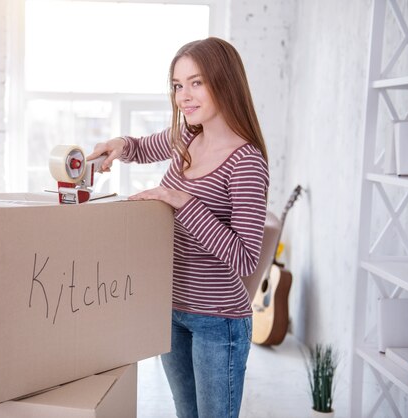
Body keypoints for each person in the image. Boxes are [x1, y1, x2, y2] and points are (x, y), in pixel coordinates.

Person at [87, 37, 269, 418]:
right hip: (171, 311)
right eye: (177, 85)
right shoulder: (188, 136)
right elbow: (141, 147)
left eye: (196, 82)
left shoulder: (246, 162)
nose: (183, 96)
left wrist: (182, 202)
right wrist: (118, 145)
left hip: (218, 322)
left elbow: (247, 259)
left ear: (225, 82)